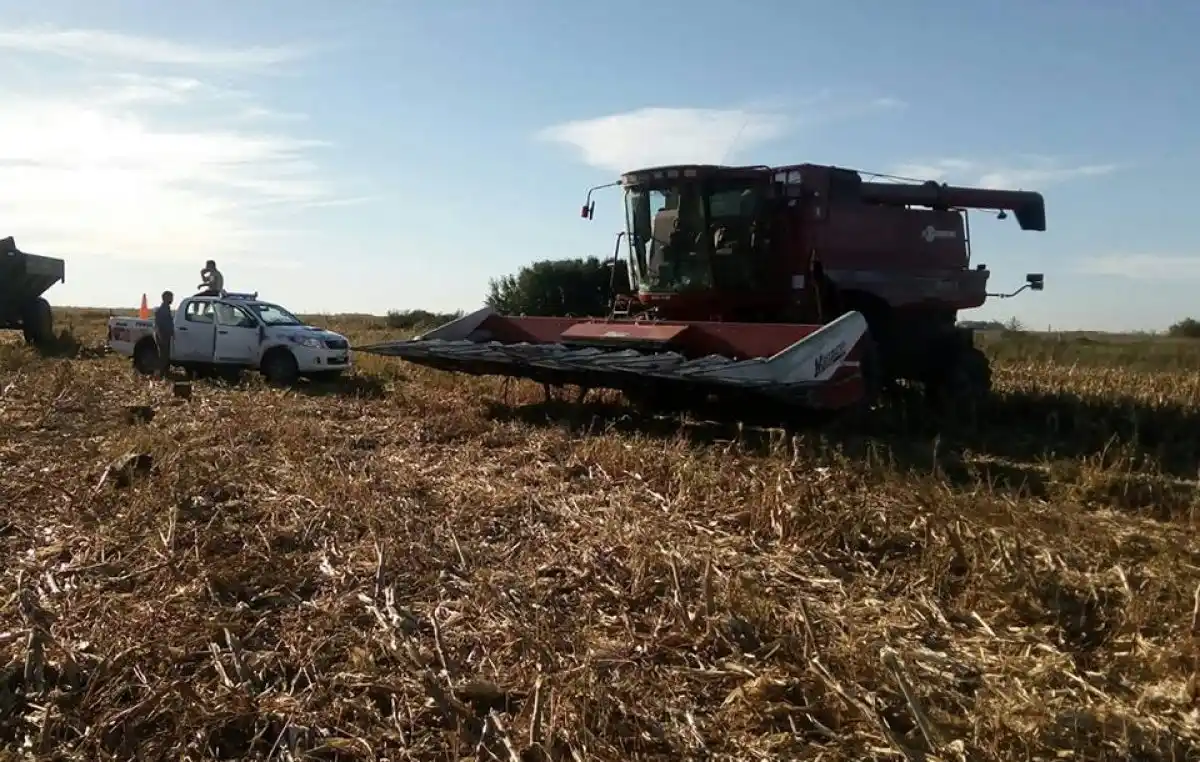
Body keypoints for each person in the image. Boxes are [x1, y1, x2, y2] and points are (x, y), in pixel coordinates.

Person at [154, 291, 174, 378]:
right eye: (170, 297)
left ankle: (164, 373)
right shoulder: (162, 310)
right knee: (163, 356)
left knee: (165, 355)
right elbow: (158, 324)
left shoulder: (166, 308)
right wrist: (160, 336)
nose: (172, 299)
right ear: (165, 298)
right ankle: (161, 374)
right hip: (163, 335)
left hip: (165, 335)